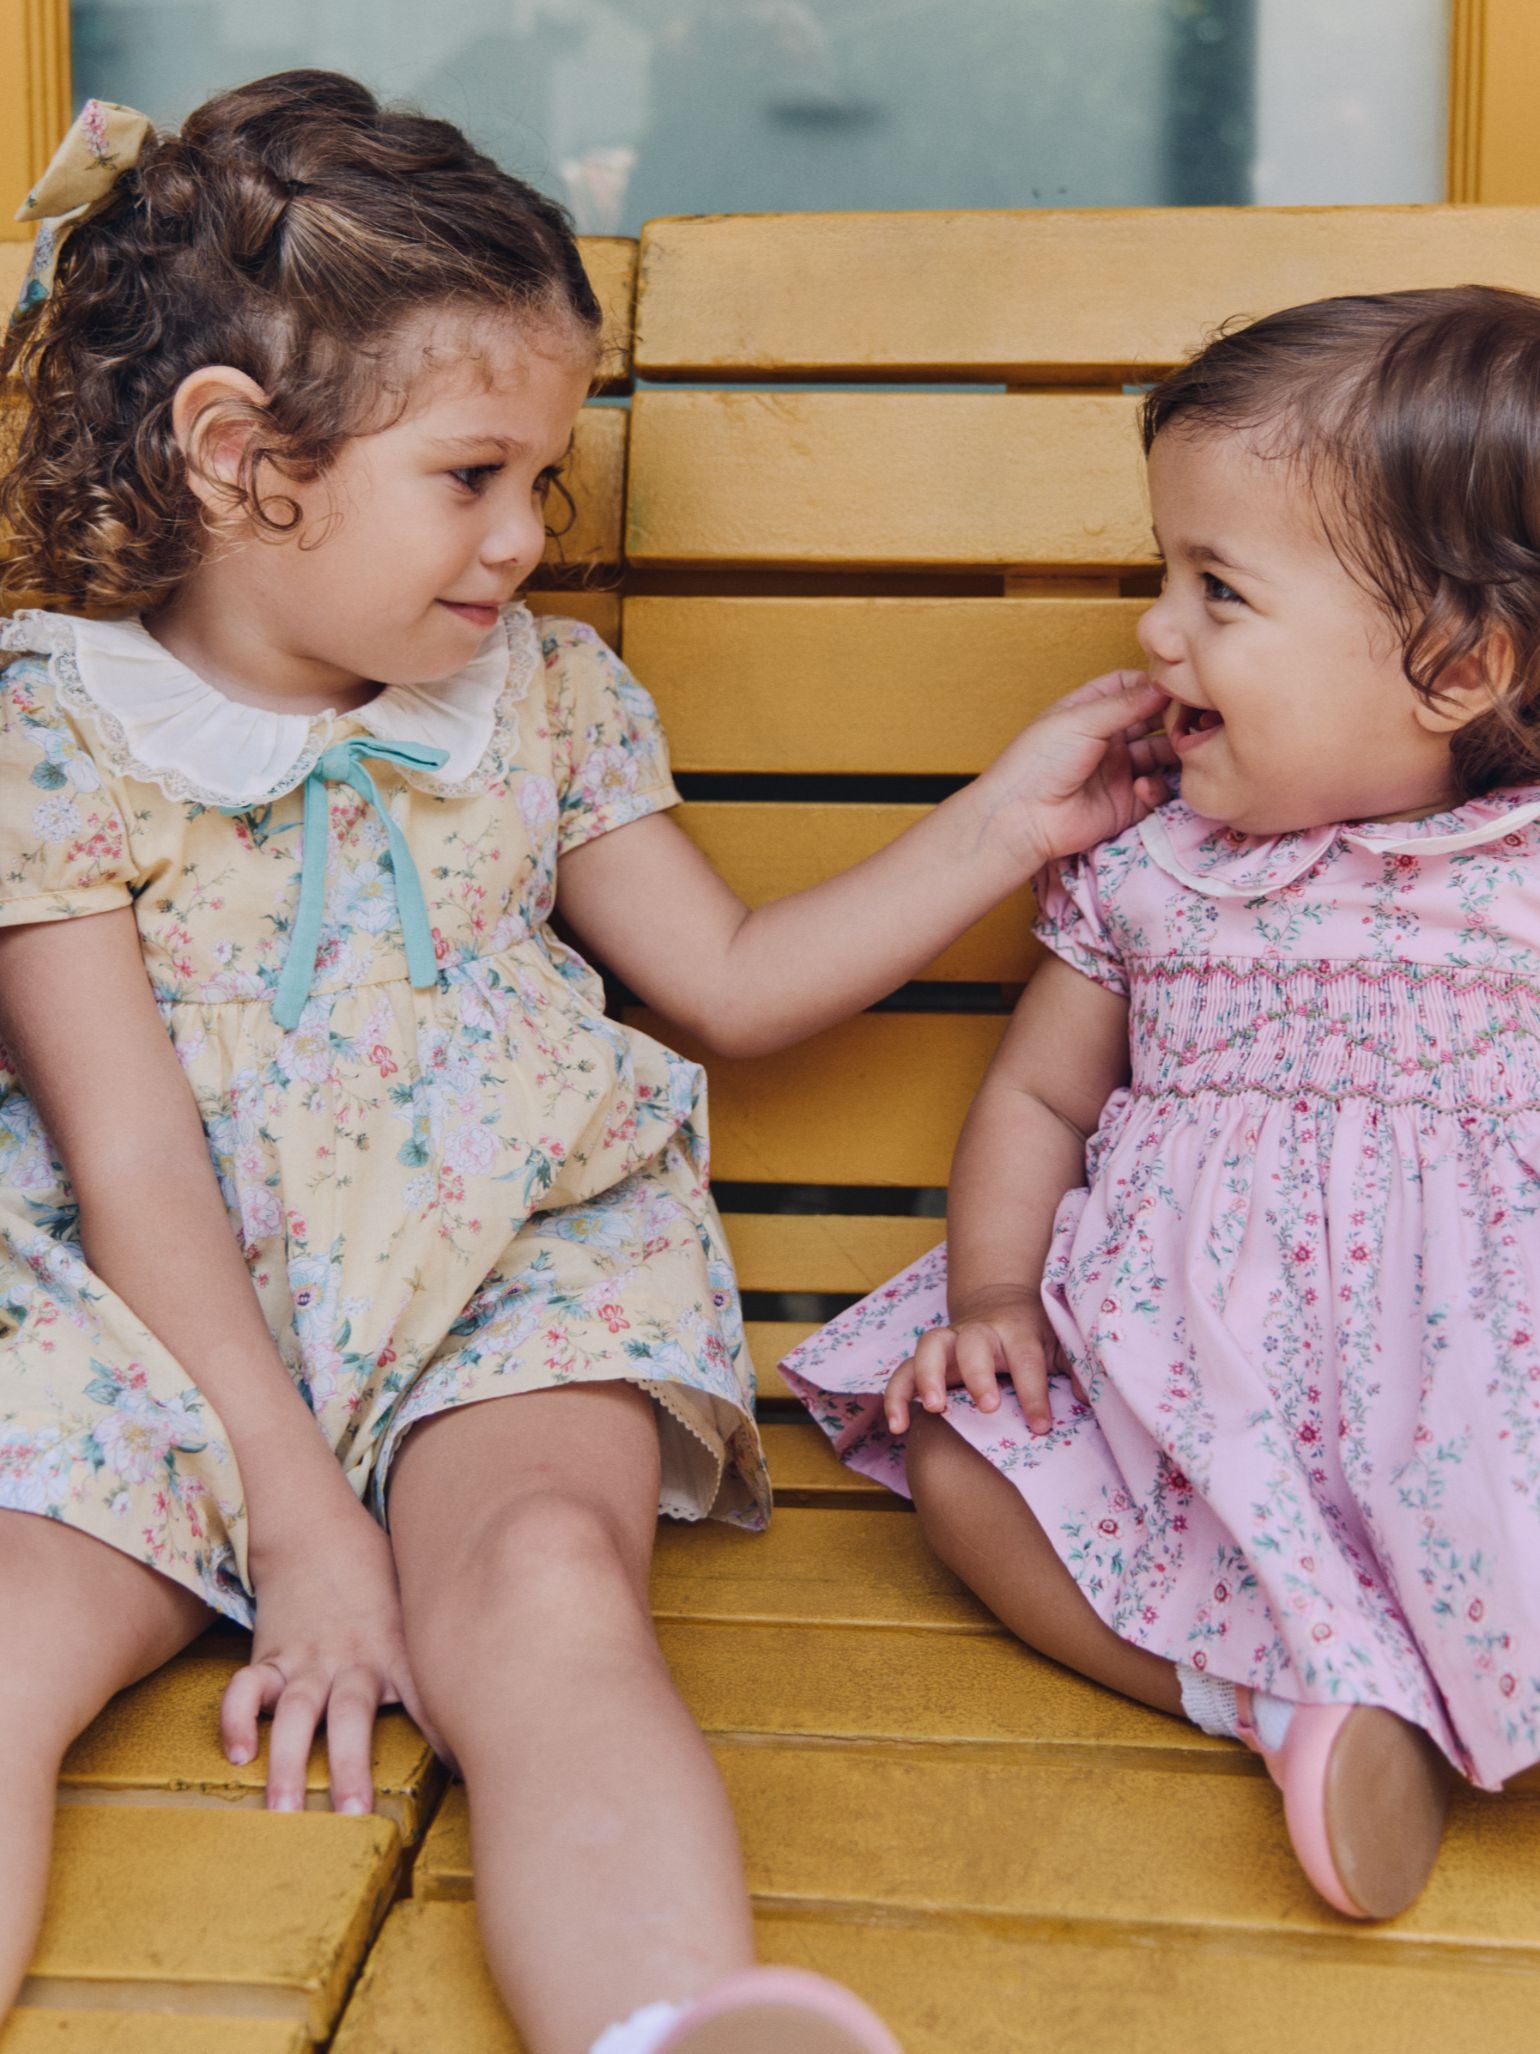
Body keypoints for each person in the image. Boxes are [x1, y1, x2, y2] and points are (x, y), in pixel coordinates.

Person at [0, 75, 1173, 2054]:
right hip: (151, 1318)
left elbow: (722, 973)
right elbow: (129, 1163)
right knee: (11, 1632)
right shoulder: (54, 728)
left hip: (502, 1281)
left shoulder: (543, 697)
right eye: (471, 477)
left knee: (548, 1581)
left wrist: (1005, 818)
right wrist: (296, 1525)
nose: (525, 538)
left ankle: (673, 2023)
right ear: (234, 453)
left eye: (542, 479)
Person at [784, 284, 1540, 1925]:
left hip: (1473, 1399)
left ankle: (1426, 1685)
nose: (1155, 630)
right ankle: (1292, 1702)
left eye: (1218, 590)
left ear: (1458, 668)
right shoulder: (1152, 870)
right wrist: (993, 1297)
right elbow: (1041, 1098)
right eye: (1161, 573)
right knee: (970, 1461)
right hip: (1186, 1396)